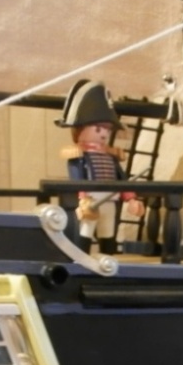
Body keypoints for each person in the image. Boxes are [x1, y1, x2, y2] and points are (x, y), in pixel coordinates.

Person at [57, 80, 144, 254]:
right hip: (90, 199)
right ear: (79, 128)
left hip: (110, 200)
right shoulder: (78, 155)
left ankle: (107, 259)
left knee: (108, 232)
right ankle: (81, 259)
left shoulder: (111, 156)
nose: (104, 134)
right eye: (98, 129)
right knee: (86, 231)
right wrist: (82, 198)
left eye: (107, 130)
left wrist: (131, 198)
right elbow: (77, 179)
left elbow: (122, 179)